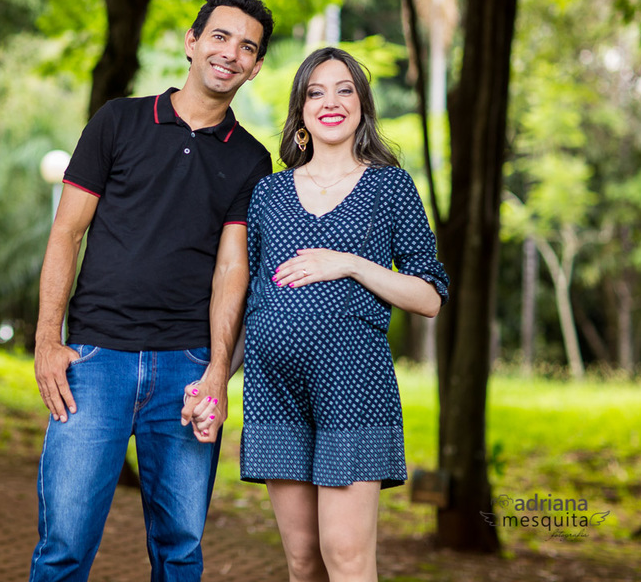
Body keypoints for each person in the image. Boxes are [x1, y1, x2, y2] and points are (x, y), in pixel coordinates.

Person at [28, 0, 275, 582]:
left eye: (247, 47)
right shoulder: (119, 121)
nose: (230, 53)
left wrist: (217, 371)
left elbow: (231, 271)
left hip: (186, 371)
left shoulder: (252, 160)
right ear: (192, 43)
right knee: (63, 546)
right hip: (94, 359)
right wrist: (47, 340)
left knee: (180, 552)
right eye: (220, 36)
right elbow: (67, 233)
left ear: (257, 66)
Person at [189, 46, 448, 582]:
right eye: (316, 92)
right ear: (301, 110)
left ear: (362, 106)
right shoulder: (269, 193)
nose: (330, 102)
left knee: (346, 556)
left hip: (353, 390)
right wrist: (215, 380)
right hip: (273, 391)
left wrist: (350, 264)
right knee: (303, 560)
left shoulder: (389, 186)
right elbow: (250, 303)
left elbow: (428, 297)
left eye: (344, 90)